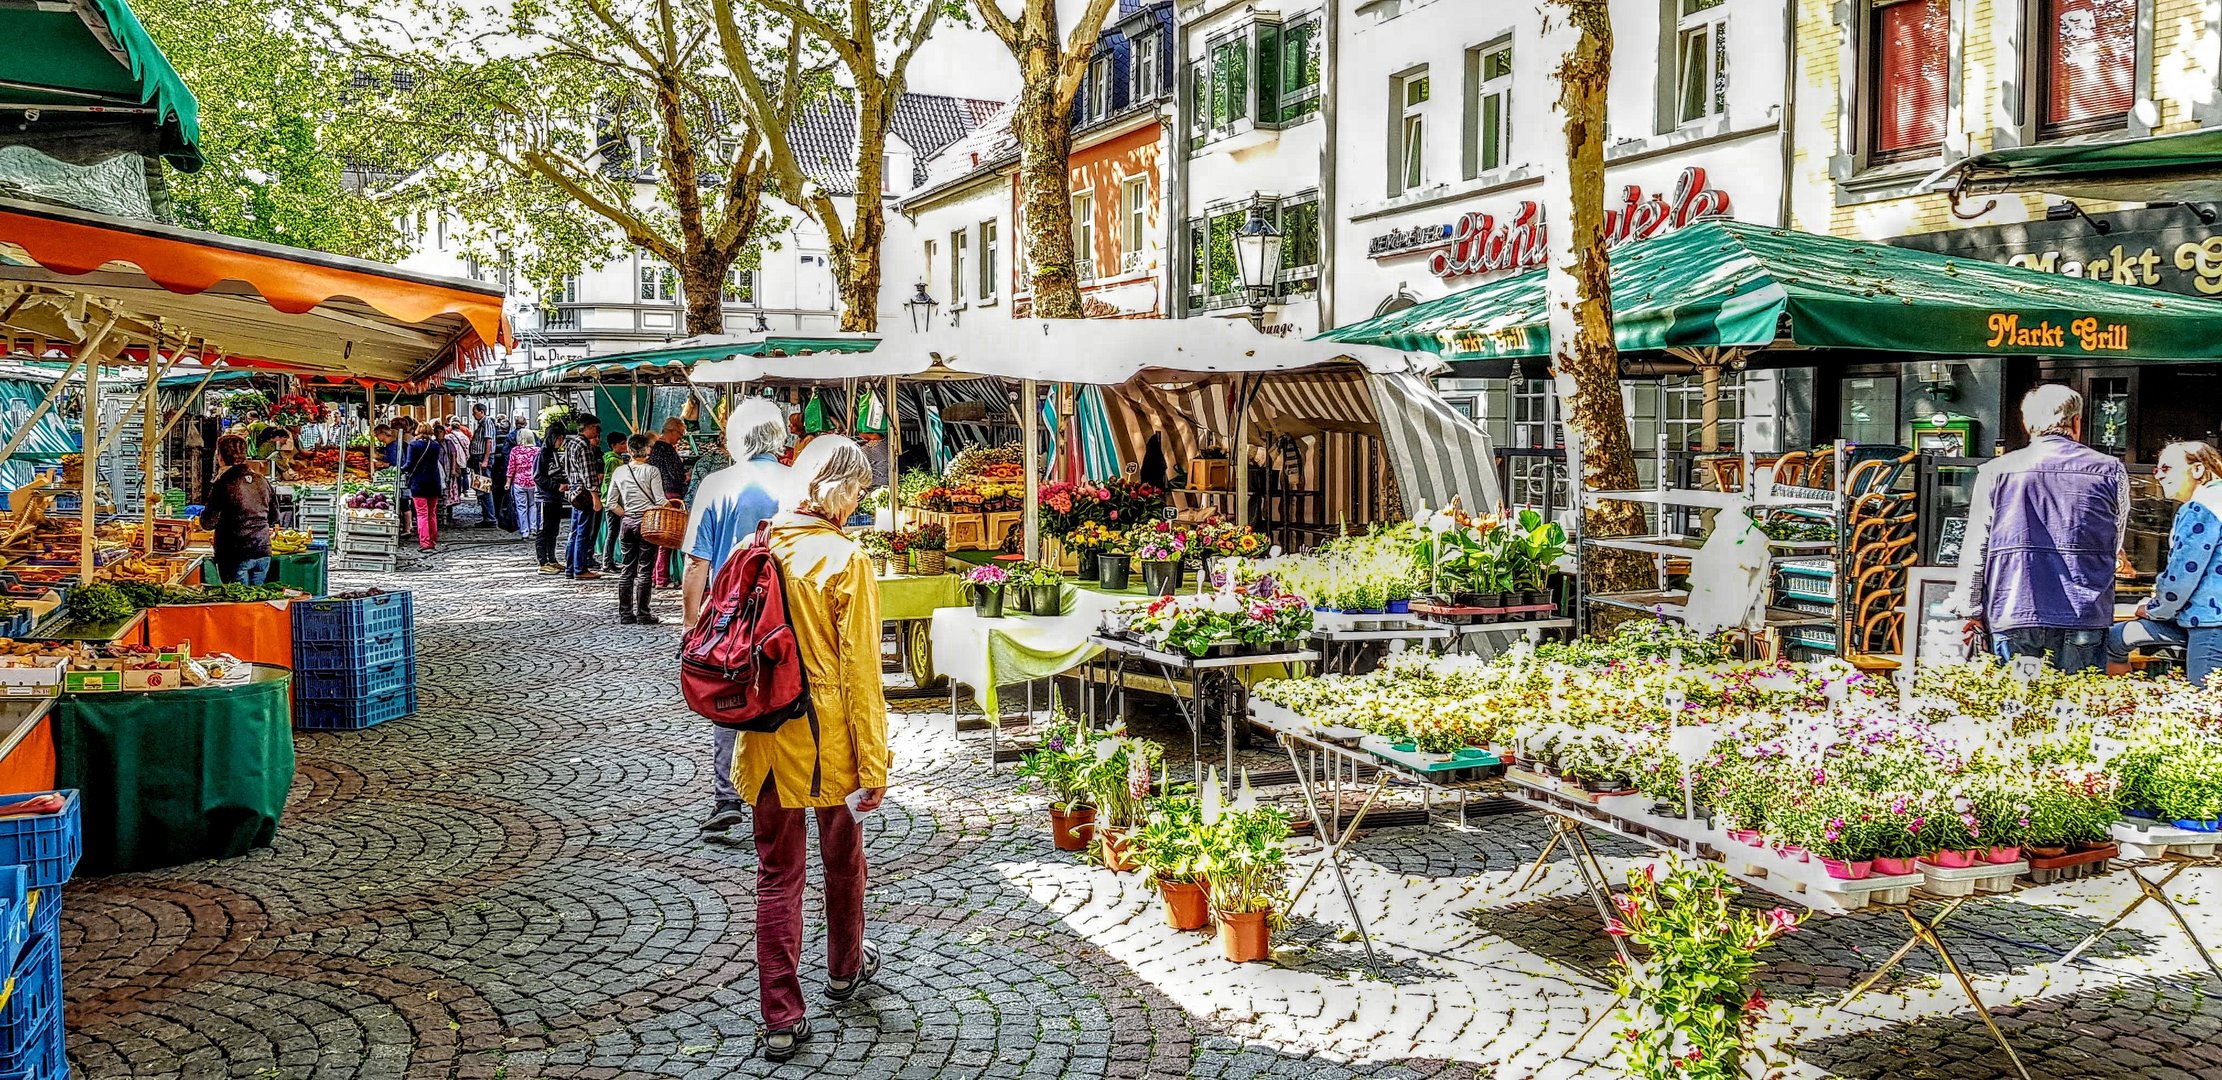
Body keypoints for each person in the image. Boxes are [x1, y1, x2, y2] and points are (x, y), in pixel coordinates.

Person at [737, 435, 888, 1061]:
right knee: (843, 860)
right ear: (833, 487)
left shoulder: (760, 543)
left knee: (777, 874)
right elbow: (862, 674)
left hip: (767, 736)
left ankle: (780, 1014)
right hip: (829, 743)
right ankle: (844, 968)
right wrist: (875, 763)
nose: (856, 503)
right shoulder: (844, 558)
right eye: (854, 490)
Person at [1948, 384, 2129, 673]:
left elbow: (1976, 547)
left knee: (2017, 708)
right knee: (2077, 709)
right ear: (2076, 422)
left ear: (2026, 424)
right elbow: (2115, 539)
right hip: (2083, 610)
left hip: (2014, 606)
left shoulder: (1996, 471)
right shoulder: (2110, 470)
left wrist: (1970, 609)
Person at [683, 400, 790, 834]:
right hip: (787, 608)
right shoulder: (797, 480)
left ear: (735, 438)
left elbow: (696, 563)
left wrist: (691, 624)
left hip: (731, 613)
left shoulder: (715, 484)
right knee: (786, 690)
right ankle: (783, 785)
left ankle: (727, 796)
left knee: (730, 697)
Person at [2110, 441, 2222, 684]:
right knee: (2116, 638)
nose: (2159, 475)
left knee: (2207, 706)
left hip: (2210, 624)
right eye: (2156, 469)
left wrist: (2153, 609)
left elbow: (2182, 577)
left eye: (2167, 468)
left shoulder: (2201, 507)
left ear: (2198, 471)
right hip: (2199, 620)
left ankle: (2120, 708)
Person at [200, 433, 282, 584]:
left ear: (220, 457)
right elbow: (274, 517)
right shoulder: (261, 480)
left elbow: (208, 523)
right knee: (255, 602)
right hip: (262, 550)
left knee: (238, 603)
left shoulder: (223, 483)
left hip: (235, 553)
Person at [608, 434, 673, 624]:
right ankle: (644, 613)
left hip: (627, 522)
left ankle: (625, 613)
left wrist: (627, 514)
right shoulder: (652, 471)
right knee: (645, 570)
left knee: (627, 568)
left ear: (629, 450)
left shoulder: (619, 472)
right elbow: (660, 500)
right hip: (648, 523)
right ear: (647, 450)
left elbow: (611, 502)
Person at [561, 415, 605, 579]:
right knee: (583, 532)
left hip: (574, 490)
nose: (596, 431)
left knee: (574, 531)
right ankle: (580, 568)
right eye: (594, 427)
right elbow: (589, 474)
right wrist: (596, 497)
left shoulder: (571, 443)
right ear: (588, 427)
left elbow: (566, 468)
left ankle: (570, 567)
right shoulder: (584, 446)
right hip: (584, 492)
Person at [648, 419, 690, 588]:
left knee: (660, 537)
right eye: (679, 435)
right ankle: (662, 577)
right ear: (671, 431)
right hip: (671, 494)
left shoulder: (655, 449)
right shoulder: (666, 449)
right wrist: (685, 476)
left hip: (658, 494)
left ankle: (655, 575)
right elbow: (674, 474)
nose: (679, 439)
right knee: (667, 537)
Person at [401, 422, 448, 552]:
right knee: (432, 513)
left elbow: (409, 464)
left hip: (419, 483)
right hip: (434, 482)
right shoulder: (435, 445)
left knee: (422, 513)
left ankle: (425, 542)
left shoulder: (413, 445)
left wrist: (400, 469)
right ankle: (433, 541)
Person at [535, 420, 569, 573]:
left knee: (554, 530)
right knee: (543, 530)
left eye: (562, 439)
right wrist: (556, 486)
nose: (561, 442)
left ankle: (552, 558)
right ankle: (542, 562)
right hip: (544, 498)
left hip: (556, 498)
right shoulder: (542, 454)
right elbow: (537, 476)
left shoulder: (554, 454)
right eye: (559, 438)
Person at [599, 429, 629, 572]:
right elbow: (609, 481)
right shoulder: (612, 461)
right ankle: (607, 562)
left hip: (616, 501)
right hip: (613, 502)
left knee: (614, 532)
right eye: (622, 444)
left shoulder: (617, 458)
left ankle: (608, 561)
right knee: (612, 533)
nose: (625, 446)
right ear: (614, 445)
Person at [509, 427, 543, 543]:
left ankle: (524, 531)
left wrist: (508, 482)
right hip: (534, 482)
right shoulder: (537, 450)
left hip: (519, 482)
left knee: (521, 507)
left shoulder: (515, 451)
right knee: (533, 505)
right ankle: (533, 527)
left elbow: (511, 468)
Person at [471, 403, 499, 528]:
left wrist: (485, 460)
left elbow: (489, 441)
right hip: (479, 457)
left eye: (474, 412)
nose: (473, 414)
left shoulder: (487, 422)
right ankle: (487, 515)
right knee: (481, 487)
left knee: (484, 487)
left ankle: (490, 517)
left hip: (482, 457)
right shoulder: (482, 423)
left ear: (481, 412)